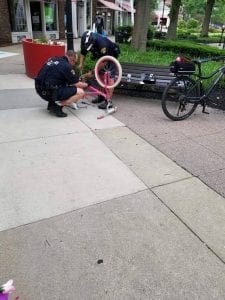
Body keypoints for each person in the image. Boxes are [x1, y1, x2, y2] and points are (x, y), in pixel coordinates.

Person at [35, 50, 88, 117]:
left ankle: (51, 105)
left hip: (39, 89)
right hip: (49, 92)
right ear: (72, 59)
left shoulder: (53, 59)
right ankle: (58, 106)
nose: (74, 64)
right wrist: (87, 84)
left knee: (59, 83)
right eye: (74, 62)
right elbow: (76, 84)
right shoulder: (66, 66)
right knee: (80, 92)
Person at [79, 30, 120, 109]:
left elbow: (104, 62)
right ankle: (101, 96)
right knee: (100, 75)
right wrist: (81, 64)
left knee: (110, 77)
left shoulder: (102, 44)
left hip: (111, 55)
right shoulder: (84, 40)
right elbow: (83, 52)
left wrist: (92, 72)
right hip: (101, 56)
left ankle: (108, 101)